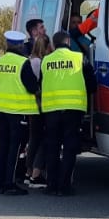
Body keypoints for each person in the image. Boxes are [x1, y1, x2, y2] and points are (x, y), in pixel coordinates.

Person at [40, 30, 97, 196]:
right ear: (68, 42)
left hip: (51, 110)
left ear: (54, 44)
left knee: (52, 147)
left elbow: (41, 83)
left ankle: (51, 185)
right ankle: (64, 186)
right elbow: (92, 83)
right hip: (73, 109)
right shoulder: (79, 58)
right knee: (69, 148)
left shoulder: (46, 60)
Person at [0, 31, 40, 196]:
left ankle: (0, 179)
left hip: (2, 110)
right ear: (20, 45)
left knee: (4, 145)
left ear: (7, 44)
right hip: (19, 112)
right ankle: (10, 183)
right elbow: (32, 86)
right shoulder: (22, 63)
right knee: (16, 148)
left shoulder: (0, 61)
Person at [26, 32, 52, 187]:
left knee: (33, 139)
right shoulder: (42, 63)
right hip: (41, 106)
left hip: (30, 107)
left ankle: (28, 172)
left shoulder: (29, 60)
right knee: (44, 139)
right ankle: (36, 175)